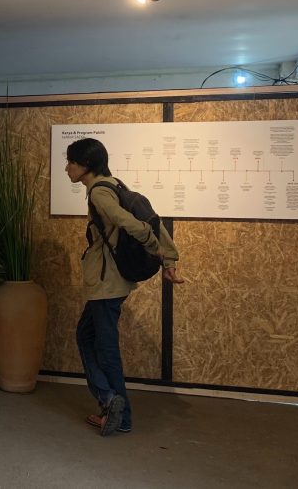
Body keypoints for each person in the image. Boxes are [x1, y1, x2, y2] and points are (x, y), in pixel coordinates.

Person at [64, 137, 184, 436]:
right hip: (113, 282)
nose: (67, 168)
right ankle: (110, 402)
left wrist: (153, 246)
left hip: (106, 283)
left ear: (86, 165)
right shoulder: (115, 184)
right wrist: (169, 258)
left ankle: (115, 406)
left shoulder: (99, 193)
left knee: (105, 347)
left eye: (71, 162)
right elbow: (153, 220)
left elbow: (137, 224)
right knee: (86, 335)